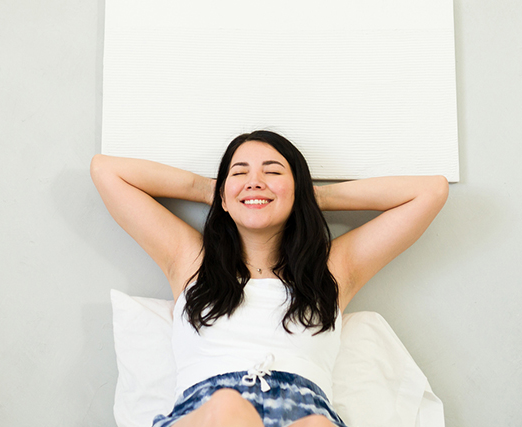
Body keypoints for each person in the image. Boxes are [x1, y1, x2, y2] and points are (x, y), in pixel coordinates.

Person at [91, 130, 449, 427]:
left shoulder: (331, 271)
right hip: (208, 413)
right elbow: (106, 171)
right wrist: (212, 192)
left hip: (307, 413)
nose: (255, 182)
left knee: (316, 426)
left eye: (273, 173)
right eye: (240, 173)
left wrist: (311, 195)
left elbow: (430, 191)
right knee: (229, 409)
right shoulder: (192, 262)